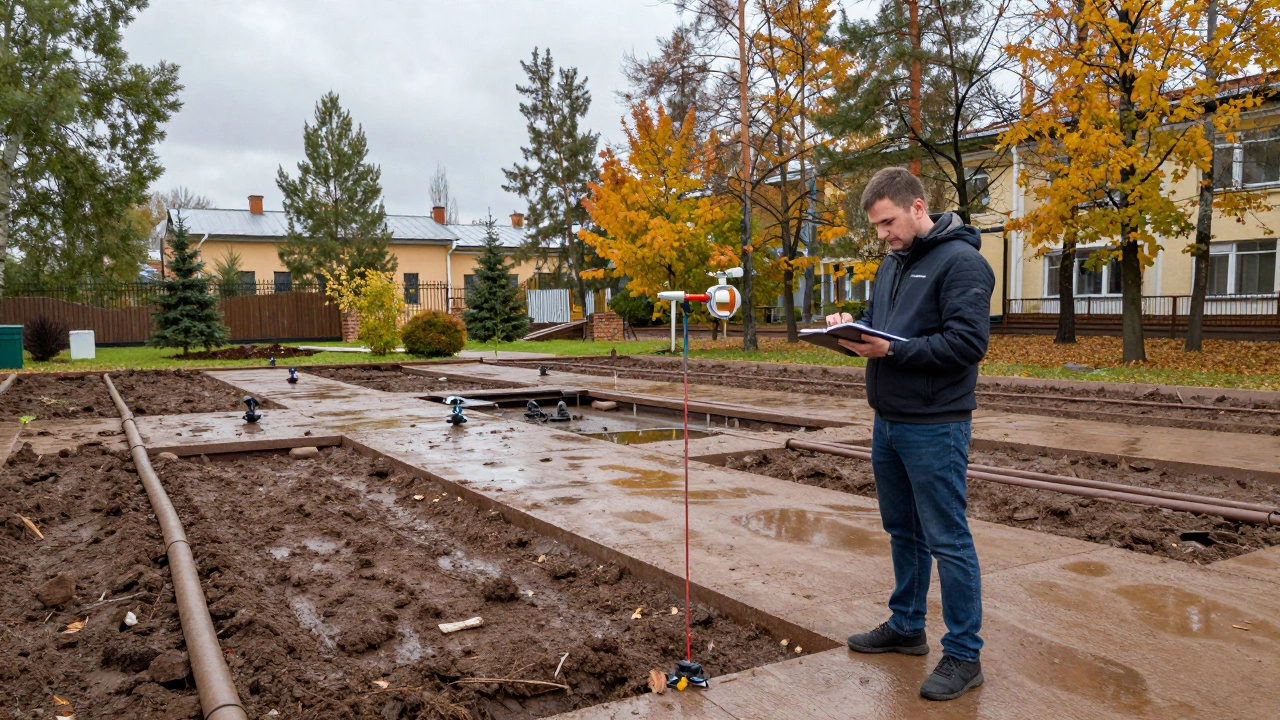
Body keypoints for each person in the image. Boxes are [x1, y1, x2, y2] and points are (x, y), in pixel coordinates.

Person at [829, 167, 994, 701]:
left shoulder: (963, 263)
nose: (883, 234)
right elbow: (885, 326)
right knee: (904, 531)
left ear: (918, 207)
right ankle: (906, 626)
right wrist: (849, 327)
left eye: (888, 222)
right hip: (890, 419)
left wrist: (893, 350)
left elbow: (967, 345)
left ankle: (965, 655)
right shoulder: (892, 264)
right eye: (877, 227)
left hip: (936, 424)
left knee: (948, 539)